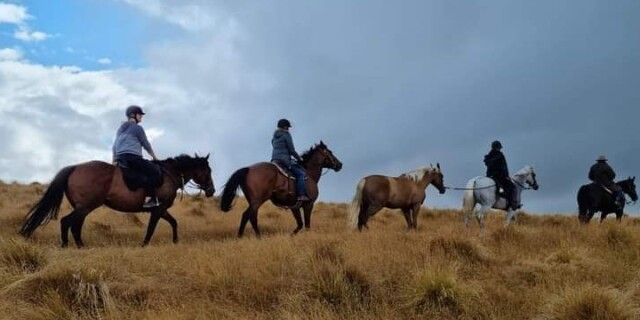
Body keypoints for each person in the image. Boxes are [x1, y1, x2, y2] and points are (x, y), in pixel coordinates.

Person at [112, 105, 161, 208]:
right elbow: (145, 144)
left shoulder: (120, 129)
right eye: (140, 115)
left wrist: (114, 161)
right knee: (155, 171)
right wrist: (155, 157)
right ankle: (149, 199)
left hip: (120, 158)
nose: (141, 117)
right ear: (133, 115)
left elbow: (114, 146)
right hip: (133, 157)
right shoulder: (137, 128)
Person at [271, 118, 310, 201]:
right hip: (285, 160)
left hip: (274, 160)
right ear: (285, 127)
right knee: (300, 174)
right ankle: (301, 195)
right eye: (287, 127)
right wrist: (299, 159)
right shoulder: (286, 135)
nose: (288, 129)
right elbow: (291, 150)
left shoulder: (274, 137)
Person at [484, 140, 518, 210]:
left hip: (489, 176)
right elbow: (504, 167)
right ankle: (511, 204)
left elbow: (488, 165)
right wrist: (507, 176)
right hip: (499, 176)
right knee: (513, 187)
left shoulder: (488, 156)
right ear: (497, 148)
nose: (499, 149)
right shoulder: (500, 155)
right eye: (498, 147)